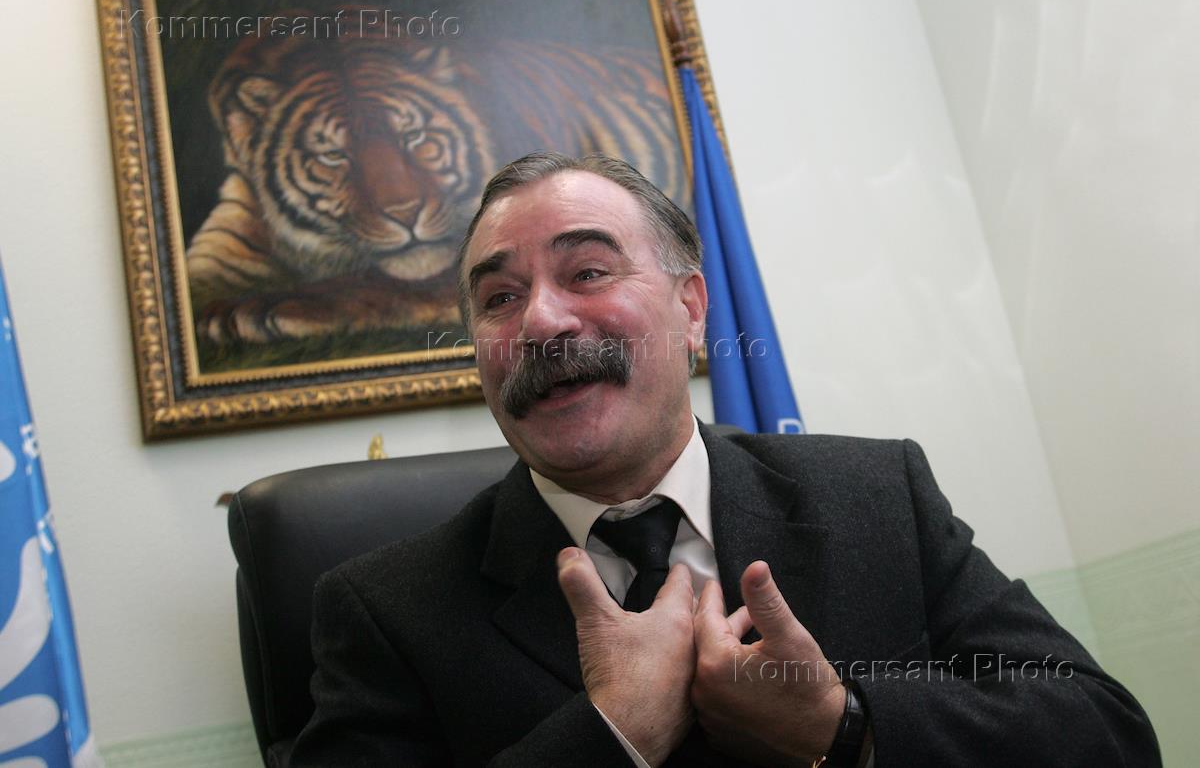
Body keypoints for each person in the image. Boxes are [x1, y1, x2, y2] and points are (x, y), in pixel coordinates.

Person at [289, 152, 1159, 767]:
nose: (542, 322)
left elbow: (1108, 734)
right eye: (500, 297)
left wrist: (843, 722)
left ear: (693, 309)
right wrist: (612, 734)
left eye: (587, 272)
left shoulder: (877, 496)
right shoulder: (384, 611)